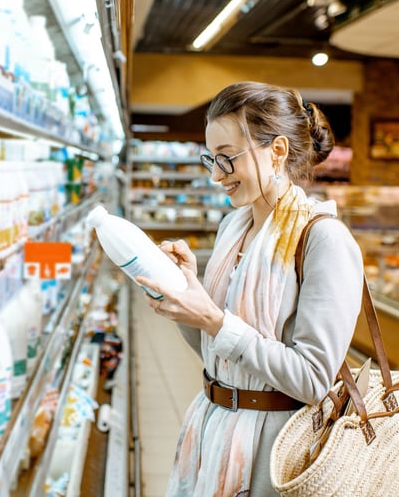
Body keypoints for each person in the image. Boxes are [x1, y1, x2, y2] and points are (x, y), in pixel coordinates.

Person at [136, 81, 364, 497]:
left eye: (227, 159)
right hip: (211, 430)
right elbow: (217, 349)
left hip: (273, 453)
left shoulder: (323, 240)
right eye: (211, 159)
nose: (215, 175)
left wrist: (216, 319)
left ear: (276, 151)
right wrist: (181, 293)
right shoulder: (233, 228)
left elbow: (313, 378)